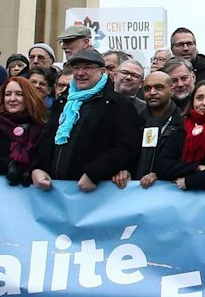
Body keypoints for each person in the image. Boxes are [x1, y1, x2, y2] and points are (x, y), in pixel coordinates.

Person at [27, 49, 142, 193]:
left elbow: (127, 147)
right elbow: (45, 140)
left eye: (87, 68)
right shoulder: (63, 102)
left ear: (102, 71)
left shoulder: (119, 105)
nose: (80, 73)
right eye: (76, 68)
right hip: (54, 192)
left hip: (95, 194)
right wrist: (37, 168)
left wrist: (94, 173)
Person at [0, 76, 49, 185]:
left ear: (29, 97)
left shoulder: (42, 127)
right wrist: (8, 165)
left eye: (19, 94)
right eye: (7, 94)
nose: (12, 99)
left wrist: (31, 170)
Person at [135, 71, 180, 181]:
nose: (152, 92)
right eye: (147, 89)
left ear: (171, 91)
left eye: (159, 88)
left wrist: (160, 174)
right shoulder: (135, 121)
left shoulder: (182, 121)